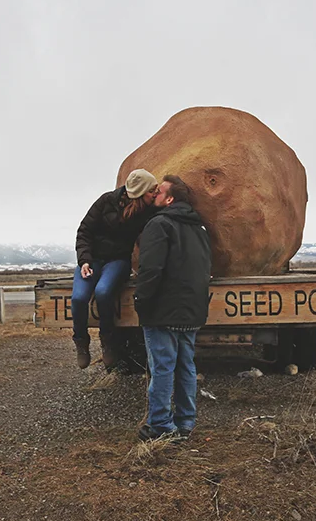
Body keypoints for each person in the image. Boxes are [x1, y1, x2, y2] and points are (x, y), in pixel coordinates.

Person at [133, 175, 212, 441]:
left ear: (169, 199)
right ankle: (186, 422)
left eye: (160, 191)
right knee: (186, 365)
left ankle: (160, 426)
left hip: (163, 310)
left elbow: (150, 270)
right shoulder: (199, 228)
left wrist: (141, 301)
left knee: (163, 367)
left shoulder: (160, 224)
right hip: (192, 310)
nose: (154, 193)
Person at [72, 169, 159, 369]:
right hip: (92, 260)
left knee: (103, 292)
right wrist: (84, 261)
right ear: (140, 193)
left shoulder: (146, 211)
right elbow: (84, 231)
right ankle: (81, 343)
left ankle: (108, 342)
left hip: (117, 261)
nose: (154, 193)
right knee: (78, 298)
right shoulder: (106, 202)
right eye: (151, 190)